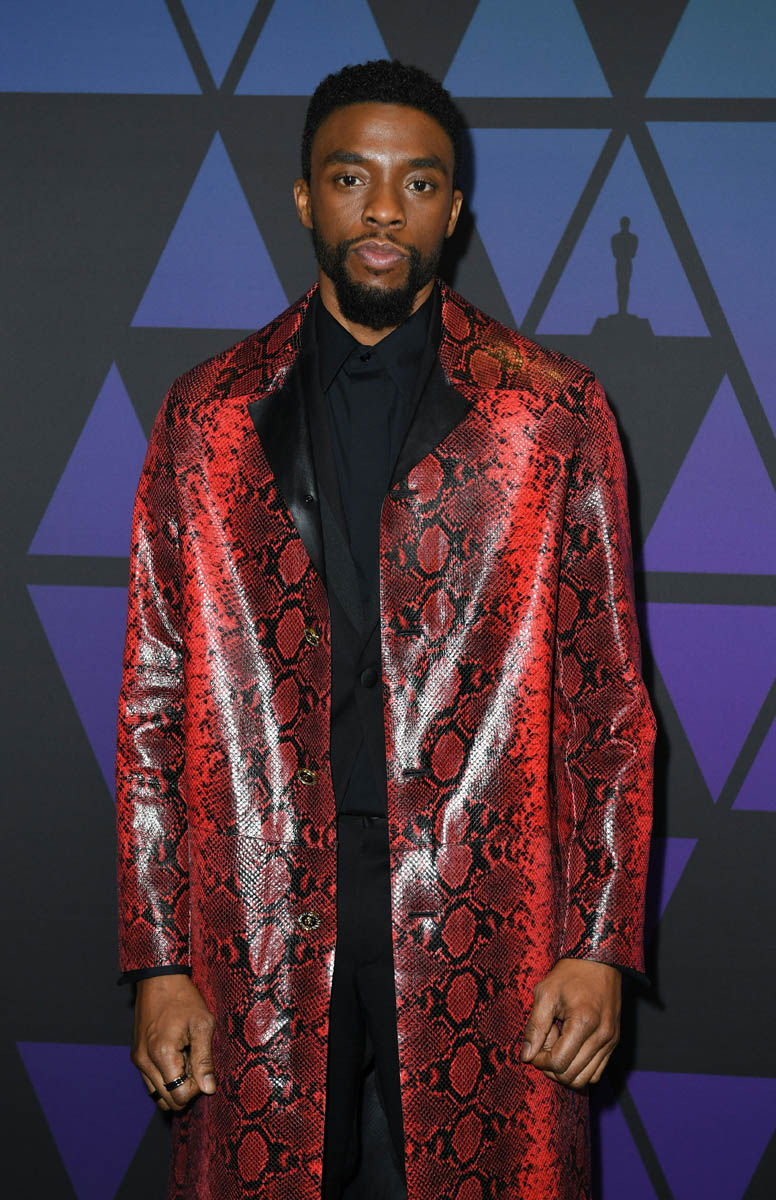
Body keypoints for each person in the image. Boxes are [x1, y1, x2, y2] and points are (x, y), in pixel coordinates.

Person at [116, 58, 655, 1200]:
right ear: (304, 196)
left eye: (417, 184)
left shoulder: (549, 413)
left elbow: (607, 702)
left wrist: (599, 943)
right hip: (254, 925)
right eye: (351, 177)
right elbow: (155, 701)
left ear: (452, 212)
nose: (382, 210)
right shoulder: (206, 416)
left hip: (487, 926)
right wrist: (159, 957)